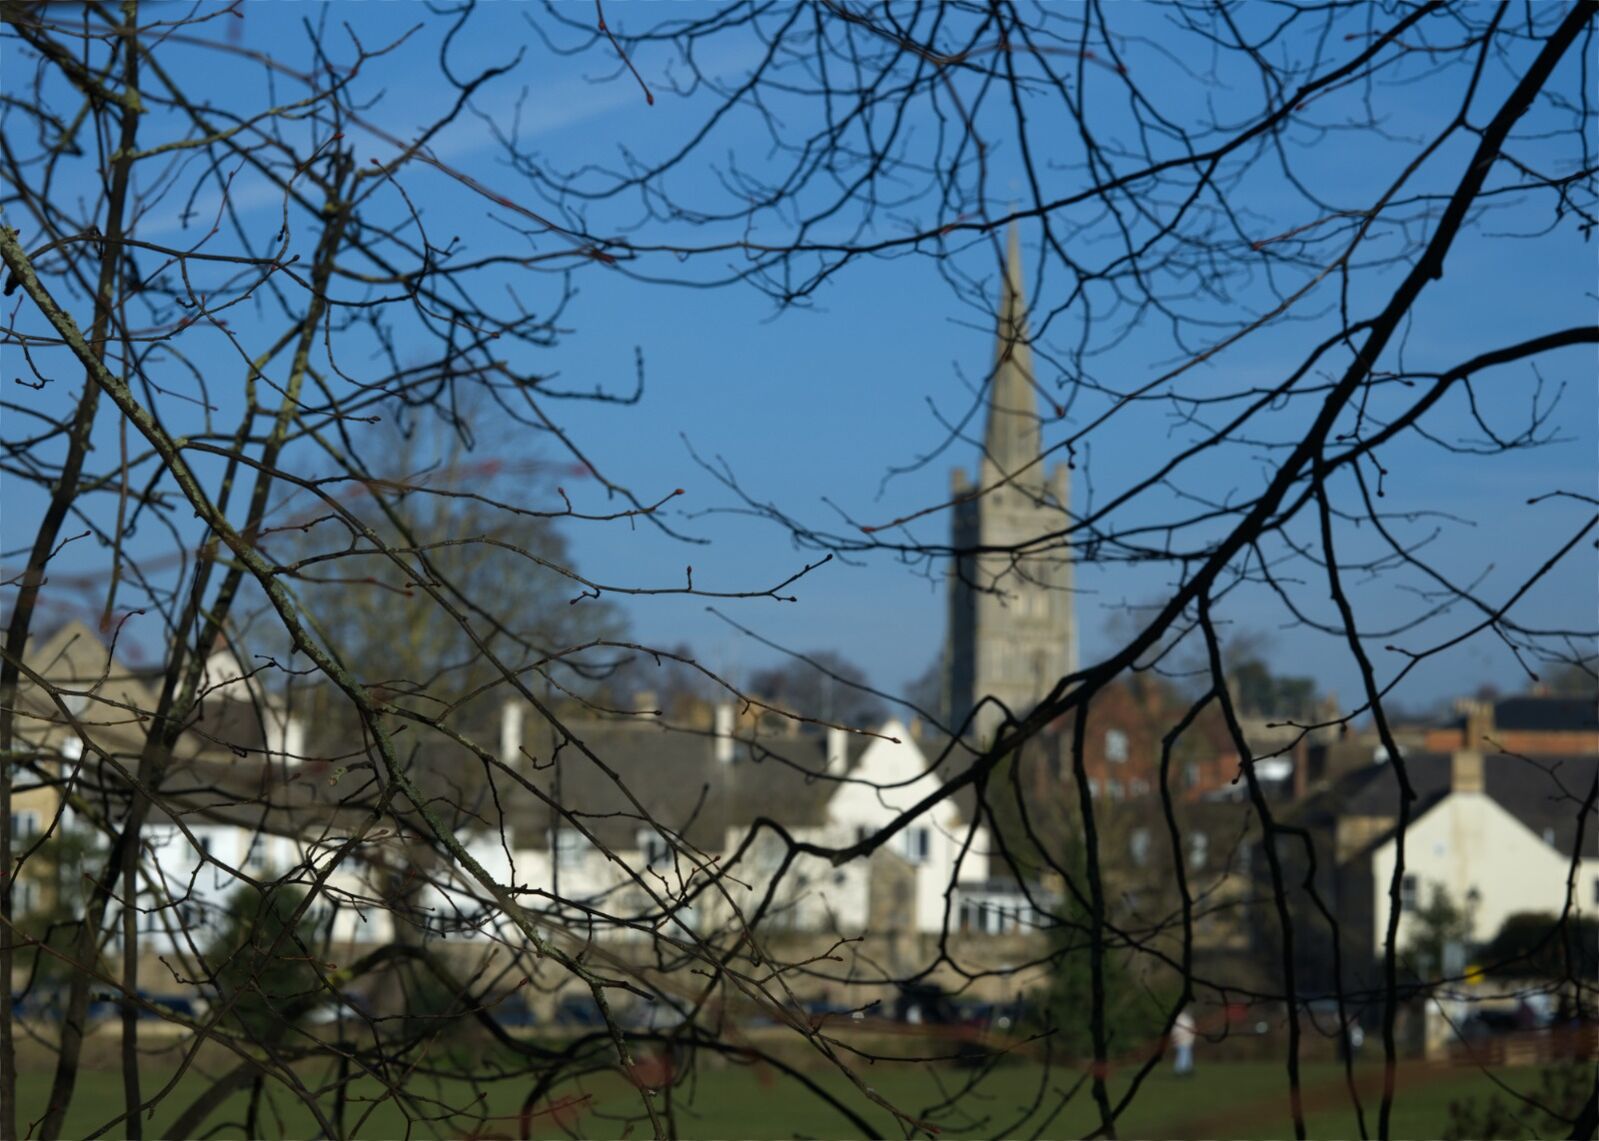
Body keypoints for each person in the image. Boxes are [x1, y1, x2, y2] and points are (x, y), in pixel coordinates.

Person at [1171, 1008, 1196, 1076]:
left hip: (1185, 1041)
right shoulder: (1182, 1020)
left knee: (1186, 1055)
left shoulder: (1183, 1019)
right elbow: (1179, 1031)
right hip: (1183, 1041)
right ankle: (1179, 1070)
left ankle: (1187, 1069)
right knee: (1183, 1055)